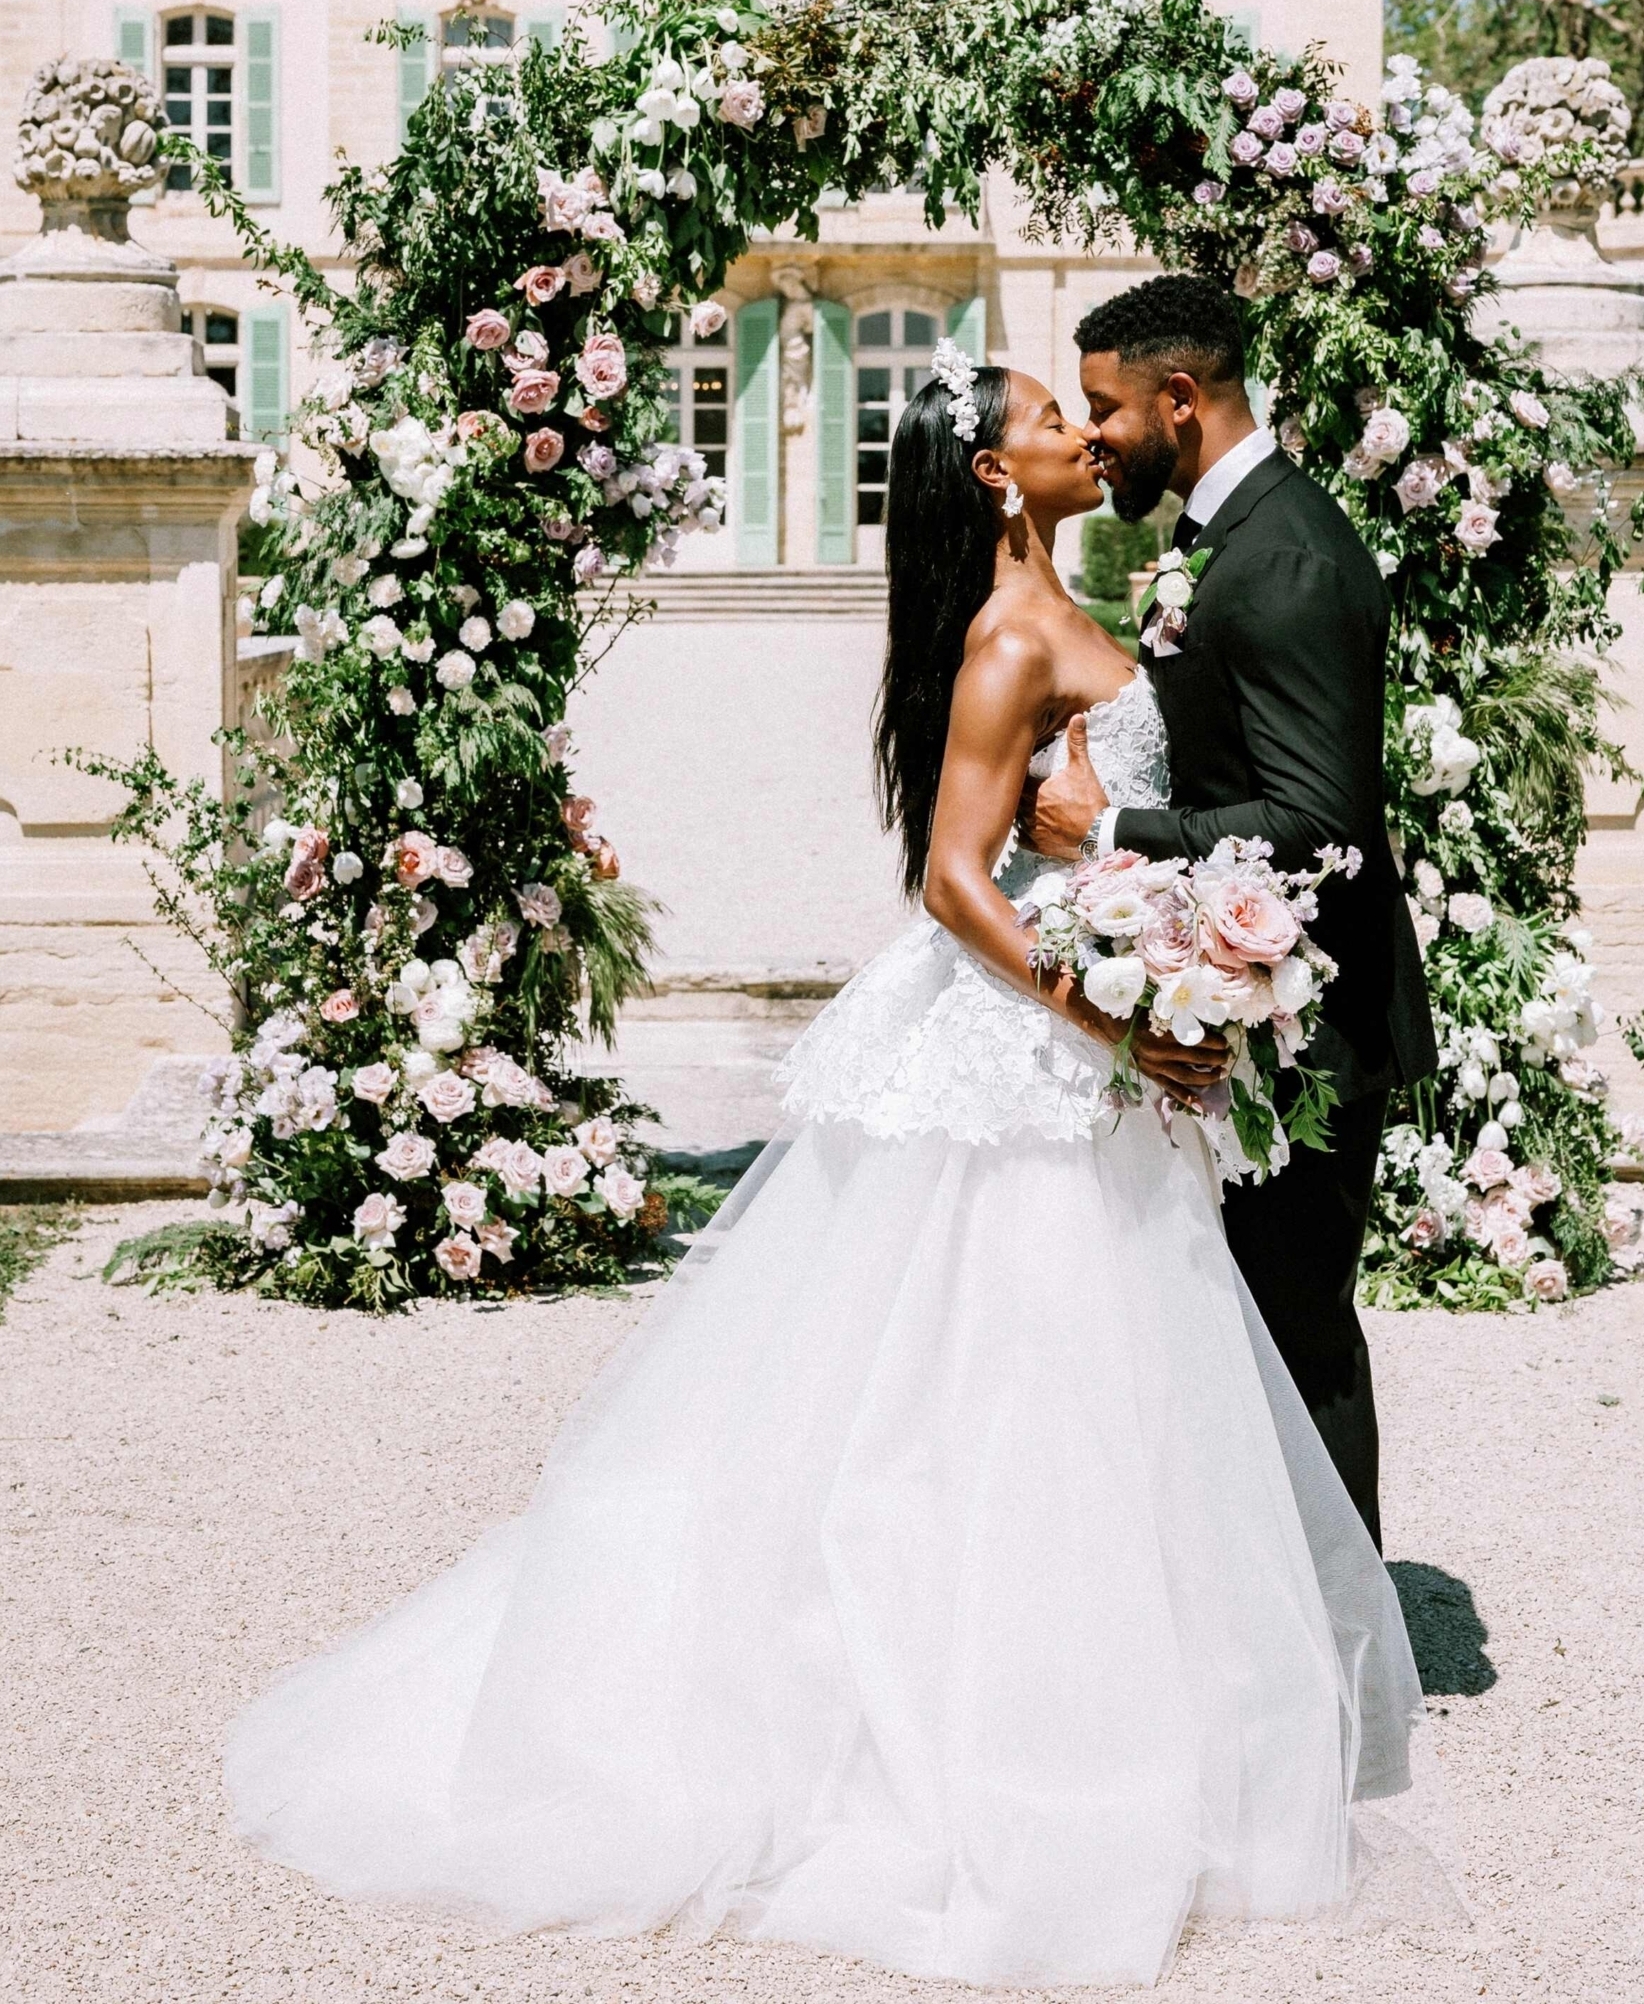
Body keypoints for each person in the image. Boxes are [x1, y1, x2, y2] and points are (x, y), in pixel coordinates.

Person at [225, 347, 1432, 1991]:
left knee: (1113, 1387)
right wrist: (1111, 1013)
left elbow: (1099, 823)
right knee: (1001, 1382)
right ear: (998, 477)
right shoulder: (1008, 634)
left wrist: (1171, 940)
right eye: (1045, 422)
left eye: (1081, 412)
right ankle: (980, 1740)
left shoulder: (1077, 607)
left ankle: (1115, 1702)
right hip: (1027, 1054)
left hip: (1088, 1050)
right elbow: (951, 876)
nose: (1083, 433)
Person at [1023, 275, 1439, 1549]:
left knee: (1299, 1329)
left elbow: (1321, 822)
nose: (1094, 436)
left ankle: (1343, 1649)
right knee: (1247, 1324)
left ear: (1180, 400)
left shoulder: (1290, 557)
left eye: (1106, 410)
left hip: (1314, 1025)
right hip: (1244, 1005)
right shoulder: (1227, 537)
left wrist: (1108, 832)